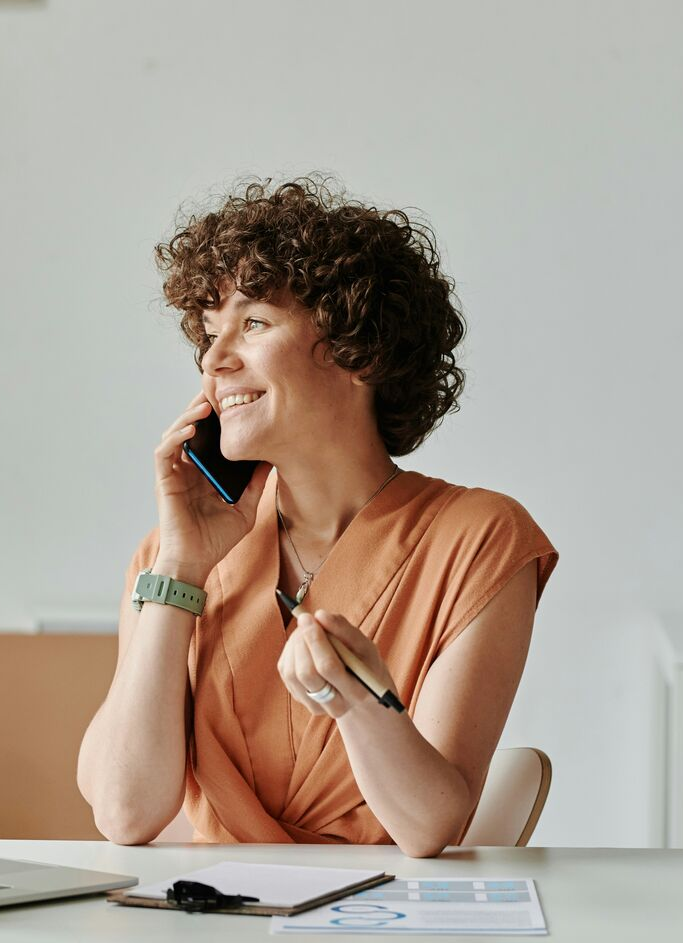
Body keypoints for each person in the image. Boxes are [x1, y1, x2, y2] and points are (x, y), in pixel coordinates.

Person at [77, 178, 557, 857]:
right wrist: (179, 570)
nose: (214, 361)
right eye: (210, 335)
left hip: (384, 922)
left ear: (355, 348)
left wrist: (357, 701)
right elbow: (125, 813)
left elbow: (429, 827)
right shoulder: (170, 561)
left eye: (253, 324)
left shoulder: (479, 540)